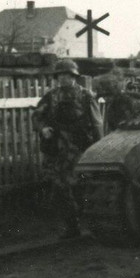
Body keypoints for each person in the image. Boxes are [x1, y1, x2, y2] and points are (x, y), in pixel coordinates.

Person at [33, 58, 103, 238]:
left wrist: (98, 148)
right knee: (60, 188)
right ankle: (72, 226)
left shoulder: (85, 96)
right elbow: (37, 116)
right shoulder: (51, 96)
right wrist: (43, 128)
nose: (64, 79)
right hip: (57, 149)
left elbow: (97, 124)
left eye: (68, 76)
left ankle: (90, 224)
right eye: (61, 76)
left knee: (82, 186)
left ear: (75, 77)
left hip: (80, 148)